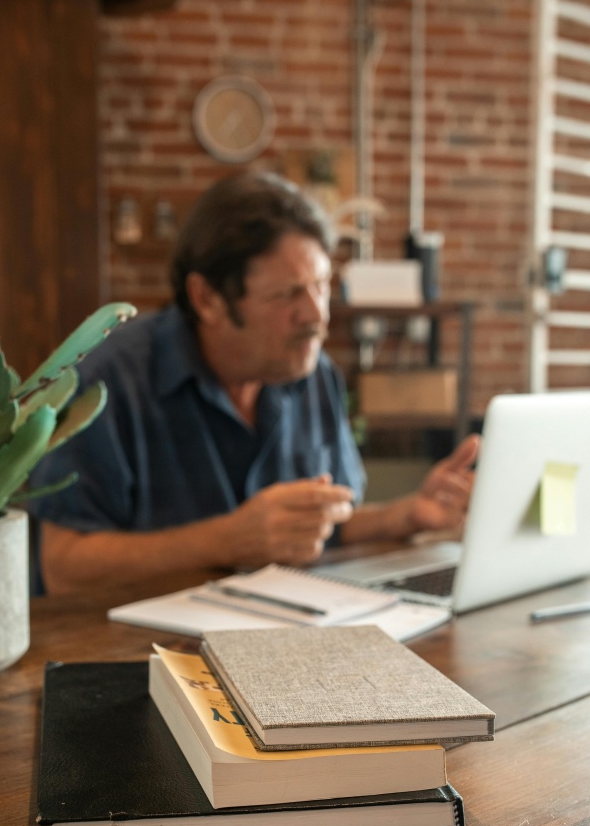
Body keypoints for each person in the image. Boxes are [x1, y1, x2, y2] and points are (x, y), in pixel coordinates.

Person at [29, 172, 478, 597]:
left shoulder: (315, 373)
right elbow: (63, 568)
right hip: (137, 643)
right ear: (207, 298)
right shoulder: (107, 381)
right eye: (288, 294)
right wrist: (227, 540)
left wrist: (408, 515)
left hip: (283, 630)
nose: (316, 314)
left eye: (321, 286)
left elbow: (324, 526)